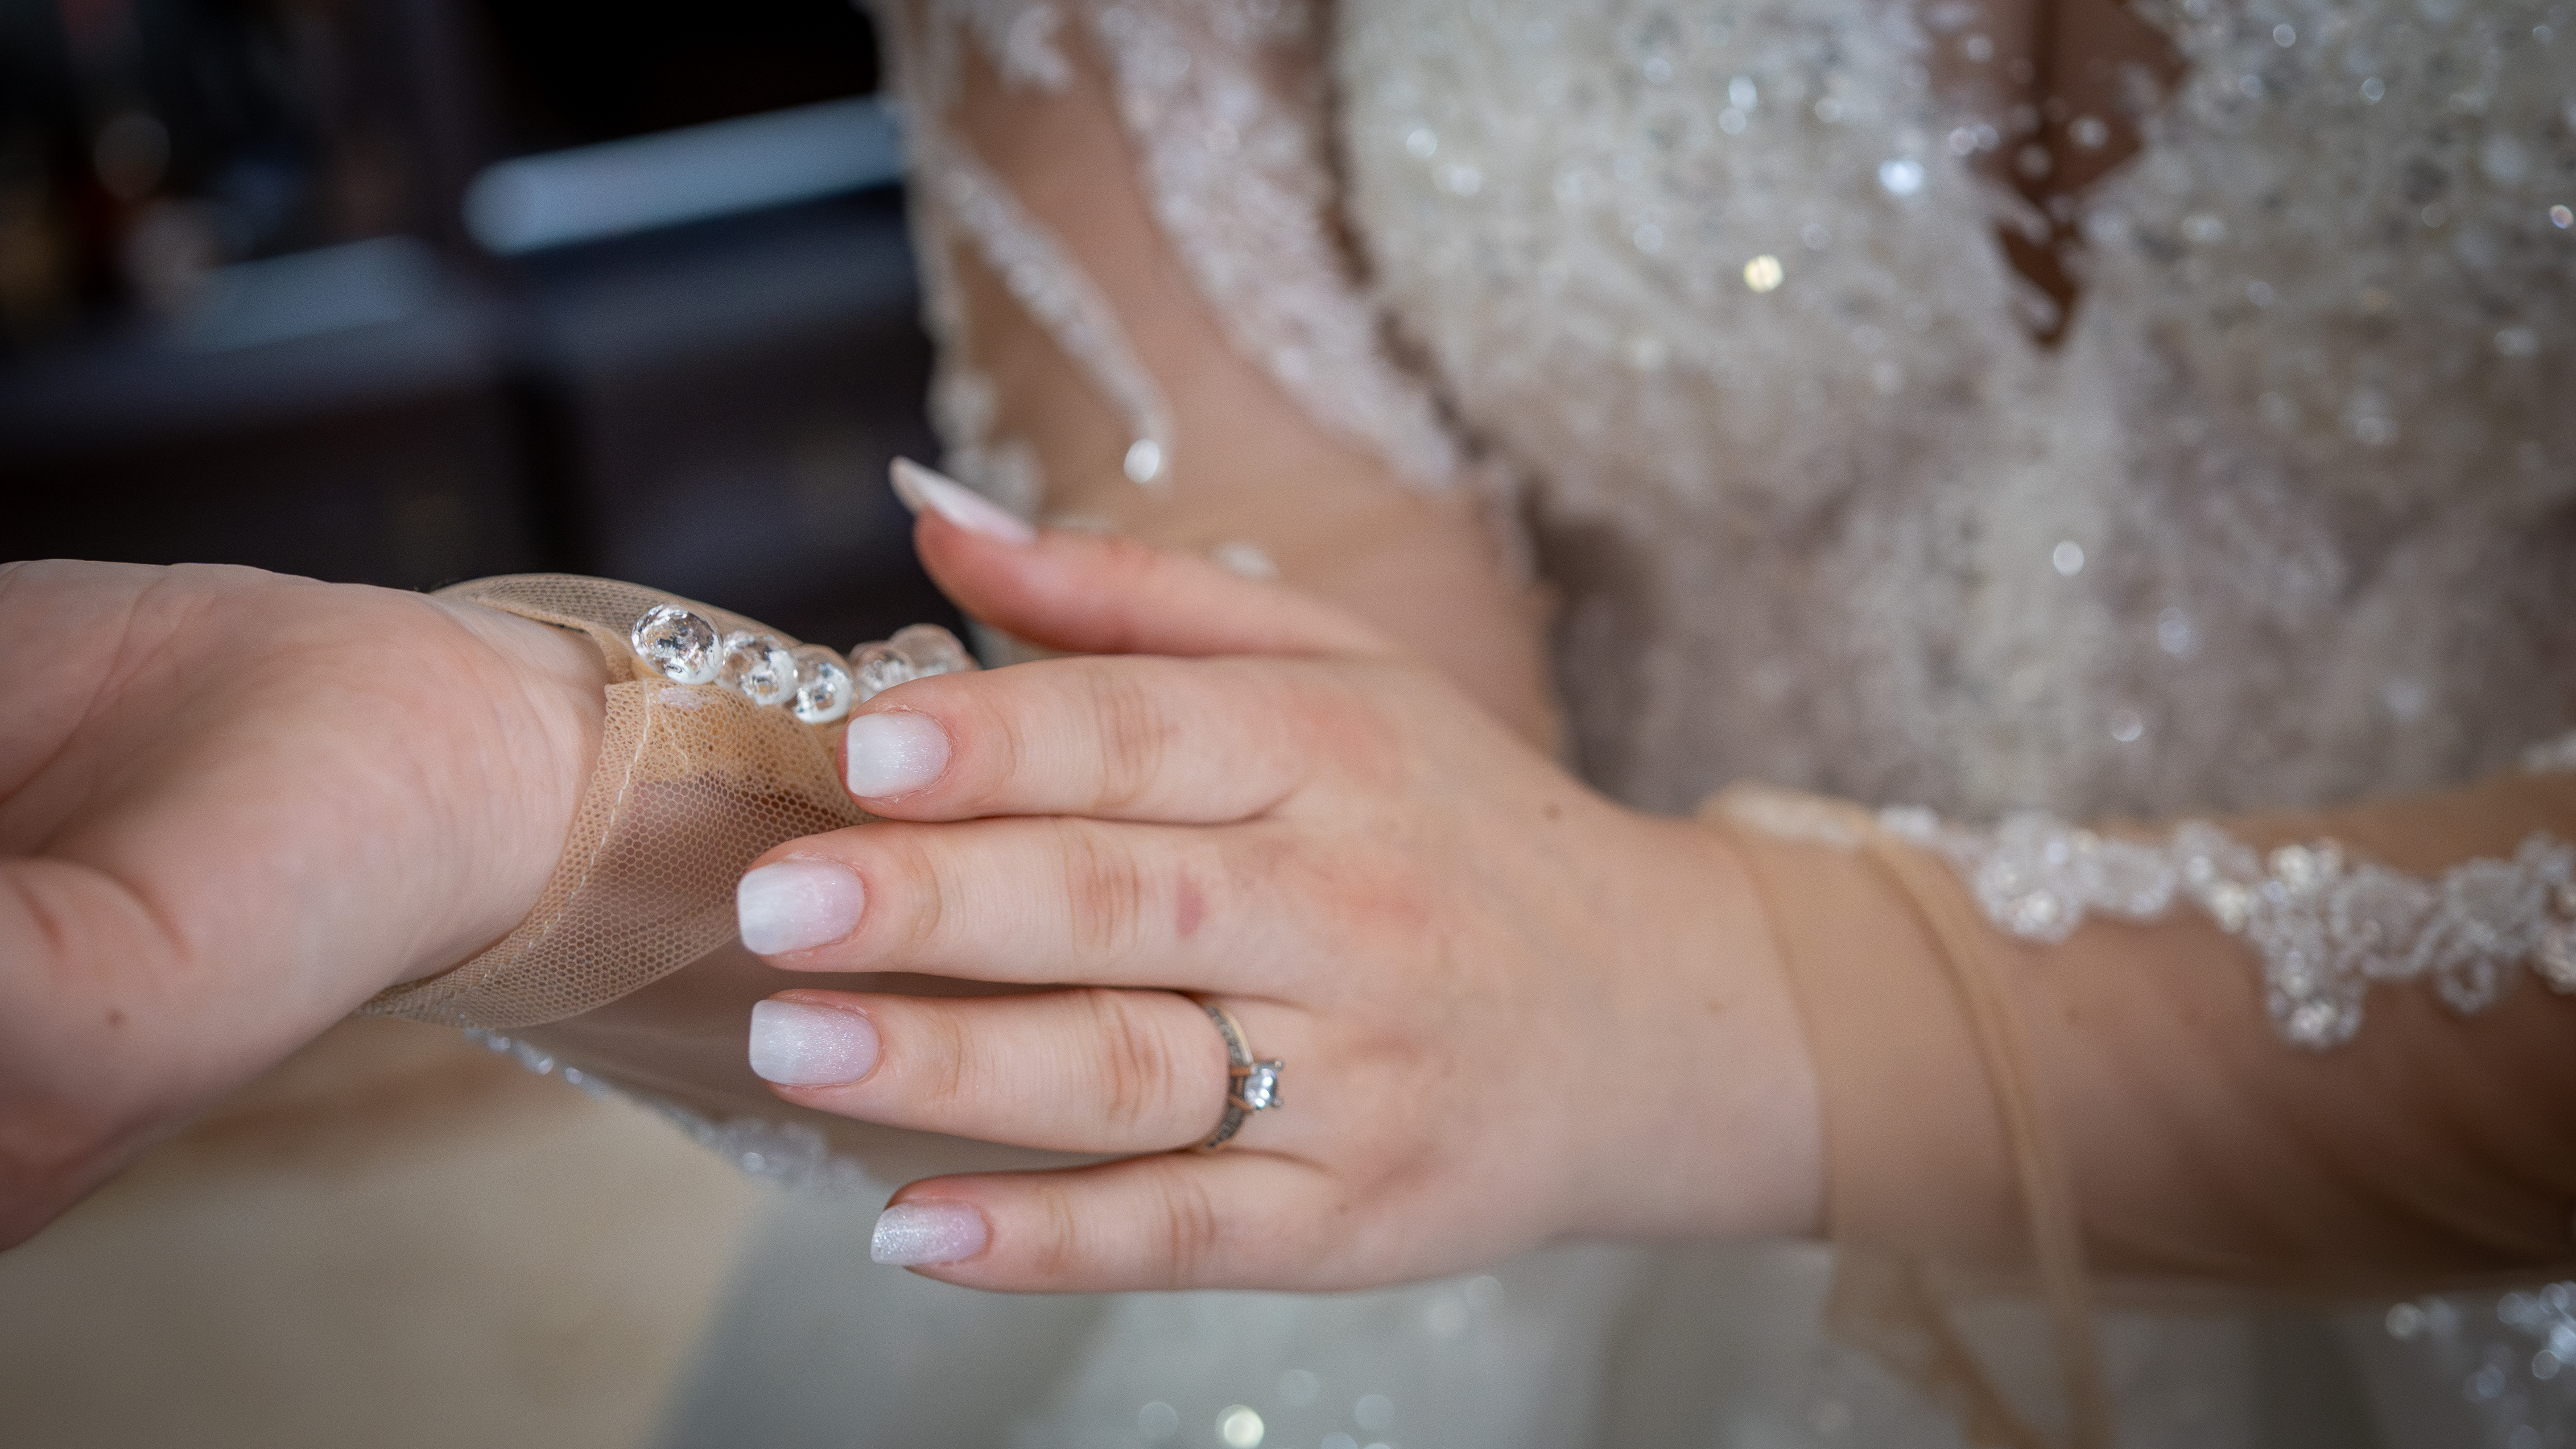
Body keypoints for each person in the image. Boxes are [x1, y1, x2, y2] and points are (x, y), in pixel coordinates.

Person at [5, 0, 2575, 1440]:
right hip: (1525, 1188)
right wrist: (522, 788)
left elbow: (1530, 973)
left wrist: (1681, 1002)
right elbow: (1318, 873)